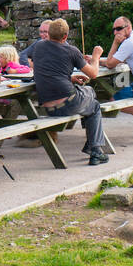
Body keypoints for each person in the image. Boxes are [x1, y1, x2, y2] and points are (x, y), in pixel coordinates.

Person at [31, 19, 109, 166]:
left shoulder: (39, 46)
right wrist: (96, 56)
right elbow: (93, 73)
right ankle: (96, 151)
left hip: (47, 108)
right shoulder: (72, 51)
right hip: (68, 105)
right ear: (65, 37)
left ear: (48, 34)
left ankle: (92, 145)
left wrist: (70, 78)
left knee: (89, 103)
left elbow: (51, 70)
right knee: (93, 101)